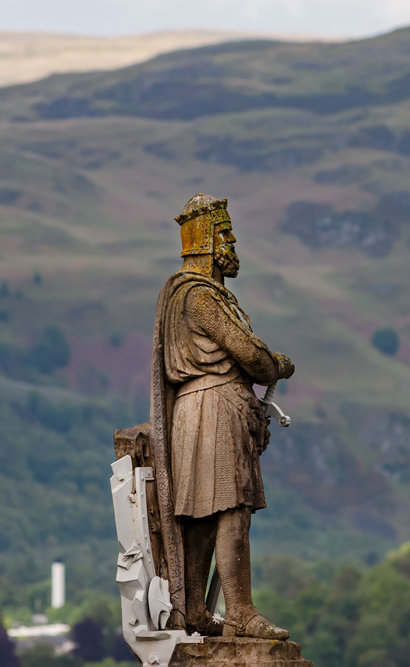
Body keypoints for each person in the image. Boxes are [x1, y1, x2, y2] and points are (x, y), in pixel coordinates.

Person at [150, 193, 294, 639]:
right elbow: (249, 354)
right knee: (230, 509)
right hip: (213, 409)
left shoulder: (200, 296)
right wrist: (276, 364)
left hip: (204, 410)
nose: (232, 242)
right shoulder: (199, 298)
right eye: (226, 233)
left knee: (206, 512)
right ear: (210, 240)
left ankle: (194, 609)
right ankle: (240, 612)